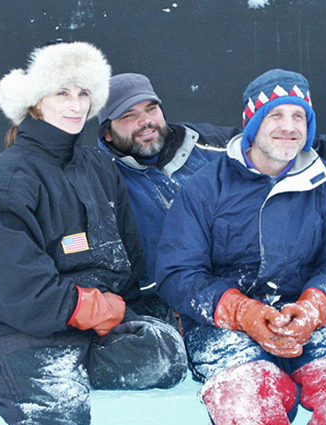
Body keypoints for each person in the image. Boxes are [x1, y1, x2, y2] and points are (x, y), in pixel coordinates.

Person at [0, 41, 186, 425]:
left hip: (86, 321)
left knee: (164, 355)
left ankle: (8, 371)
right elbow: (15, 287)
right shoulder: (4, 181)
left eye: (83, 93)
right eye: (62, 93)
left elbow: (126, 254)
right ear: (36, 102)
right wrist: (91, 310)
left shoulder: (98, 166)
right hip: (18, 324)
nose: (76, 105)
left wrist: (125, 308)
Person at [156, 69, 326, 425]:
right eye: (276, 116)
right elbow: (177, 274)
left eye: (299, 117)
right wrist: (243, 311)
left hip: (308, 317)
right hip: (225, 326)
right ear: (253, 122)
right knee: (254, 415)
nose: (289, 128)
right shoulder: (204, 187)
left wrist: (313, 309)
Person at [96, 73, 240, 324]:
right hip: (158, 310)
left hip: (238, 289)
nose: (145, 121)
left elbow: (277, 145)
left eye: (151, 109)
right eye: (128, 115)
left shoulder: (207, 144)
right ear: (107, 132)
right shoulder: (99, 178)